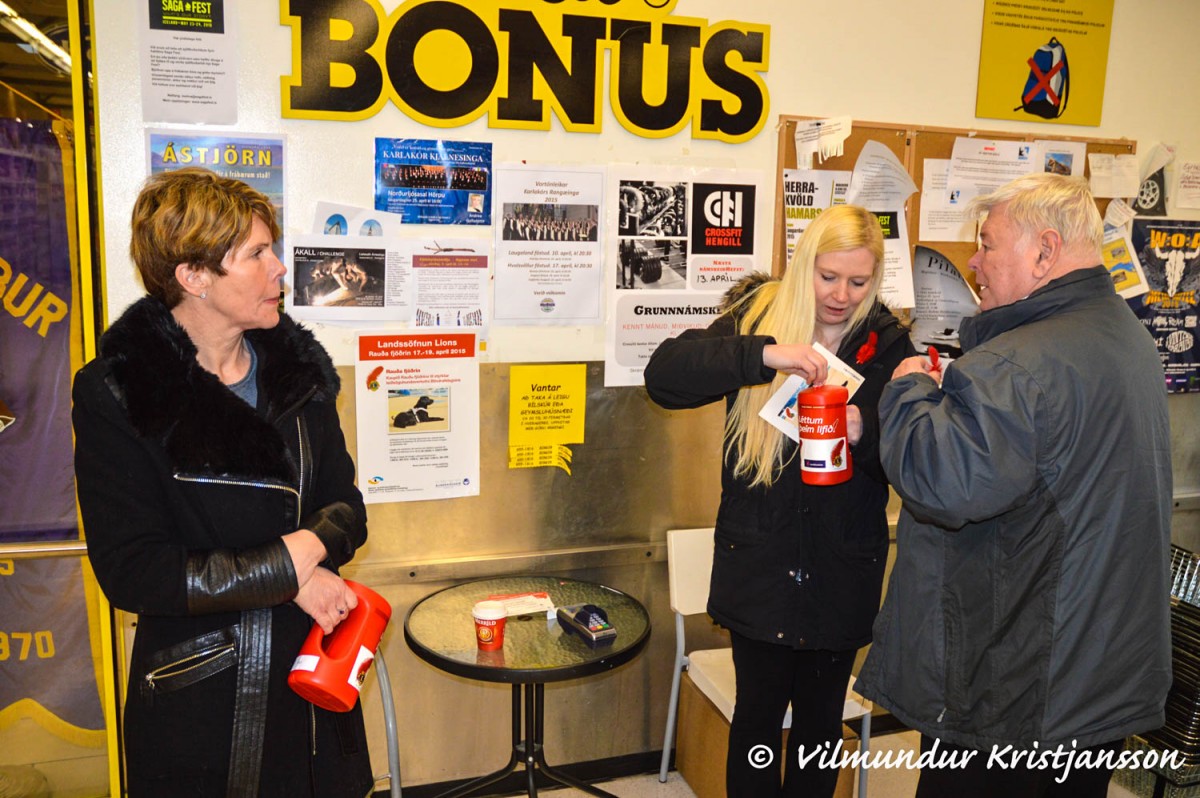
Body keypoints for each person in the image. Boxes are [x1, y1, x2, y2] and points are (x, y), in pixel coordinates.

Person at [856, 173, 1173, 797]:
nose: (973, 261)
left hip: (1016, 688)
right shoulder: (1127, 337)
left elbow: (940, 484)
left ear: (1045, 251)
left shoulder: (1015, 366)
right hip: (1097, 671)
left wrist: (909, 389)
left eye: (988, 243)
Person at [72, 167, 373, 797]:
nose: (280, 270)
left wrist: (302, 559)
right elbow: (135, 570)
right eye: (257, 254)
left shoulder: (301, 376)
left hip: (312, 672)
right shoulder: (119, 392)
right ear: (194, 277)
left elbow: (345, 507)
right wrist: (289, 570)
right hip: (201, 694)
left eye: (274, 250)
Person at [644, 205, 915, 797]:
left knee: (820, 728)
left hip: (842, 571)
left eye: (858, 281)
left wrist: (864, 427)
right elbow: (663, 376)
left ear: (876, 279)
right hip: (759, 565)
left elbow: (907, 461)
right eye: (828, 276)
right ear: (804, 267)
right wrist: (764, 356)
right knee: (758, 722)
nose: (841, 295)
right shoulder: (757, 315)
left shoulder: (890, 343)